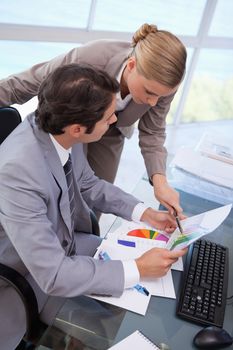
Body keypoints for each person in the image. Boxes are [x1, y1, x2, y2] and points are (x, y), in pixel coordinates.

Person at [0, 64, 186, 350]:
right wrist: (136, 268)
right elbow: (54, 275)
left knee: (156, 297)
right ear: (78, 128)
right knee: (129, 325)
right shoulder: (18, 172)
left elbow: (87, 183)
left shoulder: (61, 127)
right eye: (108, 116)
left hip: (68, 248)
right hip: (28, 278)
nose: (115, 119)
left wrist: (145, 213)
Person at [0, 23, 187, 216]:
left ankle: (83, 240)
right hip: (71, 123)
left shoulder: (163, 83)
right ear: (131, 66)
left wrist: (160, 183)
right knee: (55, 191)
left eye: (160, 96)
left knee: (97, 200)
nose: (153, 102)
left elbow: (153, 132)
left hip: (115, 129)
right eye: (149, 93)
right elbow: (27, 82)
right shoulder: (90, 58)